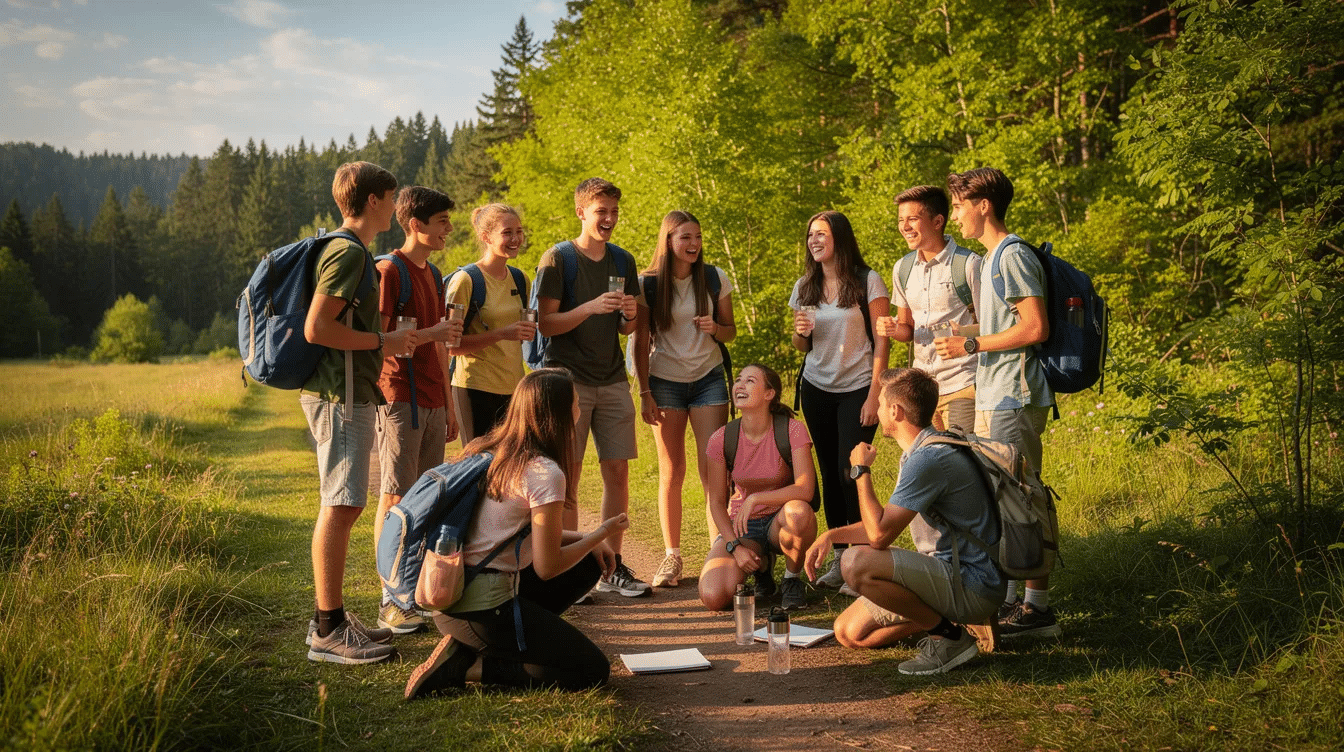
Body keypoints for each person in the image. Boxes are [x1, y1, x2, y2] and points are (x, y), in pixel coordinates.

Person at [404, 369, 626, 699]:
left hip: (450, 596)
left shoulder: (488, 450)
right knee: (591, 670)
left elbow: (508, 532)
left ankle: (482, 646)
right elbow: (547, 568)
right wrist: (602, 533)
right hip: (480, 610)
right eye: (576, 402)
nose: (579, 409)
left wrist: (587, 540)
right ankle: (469, 665)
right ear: (561, 413)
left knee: (588, 563)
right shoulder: (545, 473)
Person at [804, 368, 1005, 675]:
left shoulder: (929, 458)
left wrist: (860, 471)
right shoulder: (921, 451)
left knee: (855, 563)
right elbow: (886, 522)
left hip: (971, 582)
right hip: (947, 573)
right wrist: (832, 536)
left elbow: (880, 536)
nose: (879, 410)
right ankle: (947, 625)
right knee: (848, 632)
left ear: (895, 411)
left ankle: (948, 638)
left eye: (882, 404)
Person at [302, 161, 418, 664]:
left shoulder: (350, 250)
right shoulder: (348, 253)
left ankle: (332, 618)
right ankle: (327, 630)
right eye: (390, 198)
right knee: (343, 504)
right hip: (339, 394)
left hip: (349, 392)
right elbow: (317, 328)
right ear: (373, 200)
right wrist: (383, 340)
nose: (394, 207)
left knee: (345, 502)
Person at [935, 167, 1058, 638]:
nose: (957, 216)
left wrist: (973, 347)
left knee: (1022, 500)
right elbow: (999, 323)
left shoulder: (1012, 255)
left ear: (984, 205)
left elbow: (1034, 327)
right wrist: (964, 333)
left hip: (1015, 395)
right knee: (1003, 502)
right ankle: (1011, 602)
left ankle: (1038, 609)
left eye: (962, 206)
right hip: (994, 395)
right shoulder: (989, 260)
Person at [534, 177, 649, 597]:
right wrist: (589, 306)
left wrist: (630, 314)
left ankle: (613, 565)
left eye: (614, 212)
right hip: (566, 380)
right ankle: (572, 569)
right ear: (581, 211)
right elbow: (544, 324)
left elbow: (626, 327)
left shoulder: (623, 260)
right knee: (567, 476)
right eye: (602, 211)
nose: (610, 219)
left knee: (617, 470)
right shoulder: (557, 259)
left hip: (613, 377)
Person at [372, 186, 465, 635]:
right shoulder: (390, 270)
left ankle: (411, 592)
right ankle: (389, 601)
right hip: (397, 398)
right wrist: (435, 332)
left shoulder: (434, 274)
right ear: (416, 224)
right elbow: (380, 338)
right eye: (442, 221)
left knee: (425, 502)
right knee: (394, 499)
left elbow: (439, 348)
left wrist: (449, 407)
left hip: (431, 398)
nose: (449, 228)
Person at [632, 210, 736, 588]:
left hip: (708, 378)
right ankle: (672, 556)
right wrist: (644, 391)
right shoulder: (648, 284)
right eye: (685, 238)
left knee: (713, 472)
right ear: (669, 241)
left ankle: (717, 551)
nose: (694, 244)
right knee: (672, 471)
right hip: (665, 382)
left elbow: (730, 333)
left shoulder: (713, 277)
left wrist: (716, 328)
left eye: (697, 237)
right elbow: (640, 341)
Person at [789, 210, 890, 593]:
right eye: (810, 234)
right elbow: (801, 346)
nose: (814, 240)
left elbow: (883, 341)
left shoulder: (868, 281)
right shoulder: (805, 285)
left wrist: (875, 394)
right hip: (817, 388)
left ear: (840, 238)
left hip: (858, 387)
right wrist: (801, 333)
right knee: (830, 474)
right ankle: (839, 556)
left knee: (853, 475)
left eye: (822, 234)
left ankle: (862, 557)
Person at [699, 364, 816, 612]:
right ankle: (762, 569)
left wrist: (756, 499)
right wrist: (735, 547)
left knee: (799, 512)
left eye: (750, 381)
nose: (740, 385)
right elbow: (717, 502)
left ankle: (792, 579)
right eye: (738, 380)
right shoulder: (721, 438)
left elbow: (806, 489)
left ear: (769, 394)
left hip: (781, 520)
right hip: (744, 526)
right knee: (714, 596)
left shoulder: (792, 429)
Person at [878, 185, 982, 433]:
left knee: (960, 457)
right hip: (922, 391)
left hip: (963, 383)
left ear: (937, 221)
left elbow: (993, 325)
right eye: (901, 220)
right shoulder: (902, 269)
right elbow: (907, 331)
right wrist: (893, 329)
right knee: (932, 461)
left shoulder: (968, 264)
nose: (904, 227)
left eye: (913, 219)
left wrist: (962, 333)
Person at [444, 203, 536, 443]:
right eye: (507, 233)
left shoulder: (520, 278)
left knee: (510, 467)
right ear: (486, 237)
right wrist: (502, 333)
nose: (516, 238)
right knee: (480, 468)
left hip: (514, 389)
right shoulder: (466, 280)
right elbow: (451, 346)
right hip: (475, 388)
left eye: (519, 231)